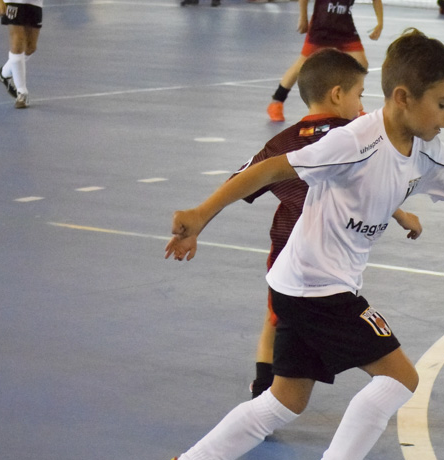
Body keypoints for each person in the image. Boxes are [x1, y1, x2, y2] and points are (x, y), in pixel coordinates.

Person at [157, 28, 444, 460]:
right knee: (401, 377)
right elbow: (267, 170)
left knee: (287, 400)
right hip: (316, 285)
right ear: (402, 98)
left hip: (307, 282)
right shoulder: (353, 140)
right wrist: (201, 214)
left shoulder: (427, 150)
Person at [165, 49, 421, 403]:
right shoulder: (357, 136)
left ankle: (263, 387)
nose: (363, 106)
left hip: (285, 248)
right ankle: (268, 395)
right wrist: (402, 214)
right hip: (327, 252)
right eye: (359, 95)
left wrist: (199, 221)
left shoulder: (281, 143)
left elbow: (240, 182)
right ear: (337, 94)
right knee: (301, 322)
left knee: (276, 317)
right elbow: (376, 185)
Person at [266, 0, 383, 122]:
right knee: (301, 64)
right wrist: (303, 17)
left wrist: (380, 23)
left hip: (344, 27)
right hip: (321, 27)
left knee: (361, 64)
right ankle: (277, 101)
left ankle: (354, 107)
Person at [0, 0, 41, 109]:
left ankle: (4, 73)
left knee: (30, 48)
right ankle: (22, 92)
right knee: (17, 43)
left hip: (35, 2)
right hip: (12, 1)